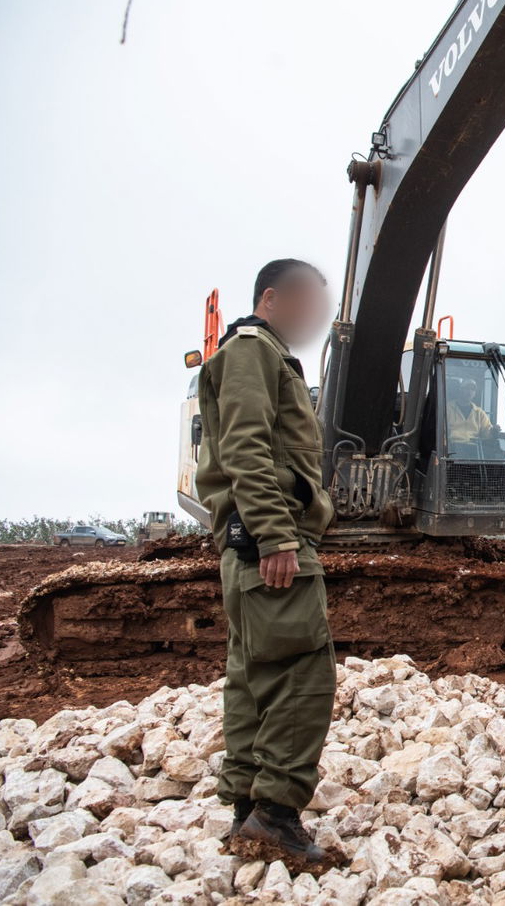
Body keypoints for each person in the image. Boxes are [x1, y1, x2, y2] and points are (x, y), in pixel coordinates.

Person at [194, 259, 336, 864]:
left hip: (247, 540)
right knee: (305, 674)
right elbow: (246, 445)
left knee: (253, 678)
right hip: (270, 542)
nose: (316, 319)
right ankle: (276, 818)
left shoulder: (256, 355)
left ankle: (246, 813)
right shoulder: (254, 351)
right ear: (273, 299)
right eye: (308, 304)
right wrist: (276, 536)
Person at [447, 377, 496, 446]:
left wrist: (493, 431)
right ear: (460, 390)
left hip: (473, 450)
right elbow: (440, 432)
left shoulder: (479, 413)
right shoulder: (448, 408)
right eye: (467, 388)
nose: (469, 391)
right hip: (452, 449)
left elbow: (486, 433)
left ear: (475, 394)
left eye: (472, 389)